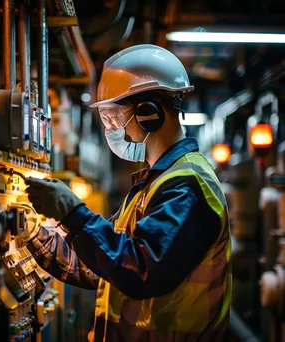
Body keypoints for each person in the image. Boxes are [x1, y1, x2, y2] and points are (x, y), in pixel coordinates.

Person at [22, 44, 232, 342]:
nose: (113, 129)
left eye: (115, 116)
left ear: (149, 113)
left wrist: (73, 211)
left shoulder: (186, 187)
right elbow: (102, 265)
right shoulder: (154, 184)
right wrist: (31, 231)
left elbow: (140, 270)